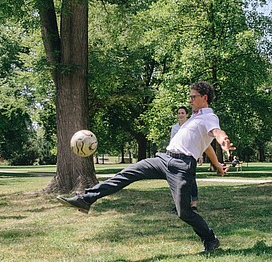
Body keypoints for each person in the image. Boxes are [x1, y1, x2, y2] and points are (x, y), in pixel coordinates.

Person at [57, 81, 234, 252]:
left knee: (184, 213)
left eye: (193, 97)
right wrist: (217, 164)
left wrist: (223, 141)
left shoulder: (209, 117)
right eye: (189, 97)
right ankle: (86, 199)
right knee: (128, 173)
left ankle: (210, 239)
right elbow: (207, 145)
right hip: (164, 159)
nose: (190, 100)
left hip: (182, 166)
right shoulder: (194, 118)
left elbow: (216, 133)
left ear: (204, 98)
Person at [170, 106, 200, 211]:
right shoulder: (175, 128)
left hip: (190, 156)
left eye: (182, 113)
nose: (180, 115)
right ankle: (181, 204)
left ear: (187, 114)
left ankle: (194, 202)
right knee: (179, 180)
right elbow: (172, 142)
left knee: (191, 179)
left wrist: (199, 155)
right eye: (179, 113)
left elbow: (197, 141)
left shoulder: (191, 126)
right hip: (177, 157)